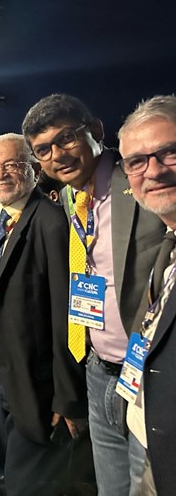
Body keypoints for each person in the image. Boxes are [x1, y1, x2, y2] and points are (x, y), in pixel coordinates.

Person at [22, 94, 163, 494]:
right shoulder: (69, 197)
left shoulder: (137, 180)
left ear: (96, 131)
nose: (57, 155)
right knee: (111, 488)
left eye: (66, 138)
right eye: (43, 150)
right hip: (98, 369)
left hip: (147, 375)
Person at [0, 133, 86, 495]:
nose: (0, 174)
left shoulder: (51, 222)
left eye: (11, 165)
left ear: (33, 169)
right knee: (12, 464)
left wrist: (66, 396)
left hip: (36, 377)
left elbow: (66, 314)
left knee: (30, 480)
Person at [116, 95, 176, 494]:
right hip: (152, 441)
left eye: (169, 152)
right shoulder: (165, 249)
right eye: (136, 161)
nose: (152, 170)